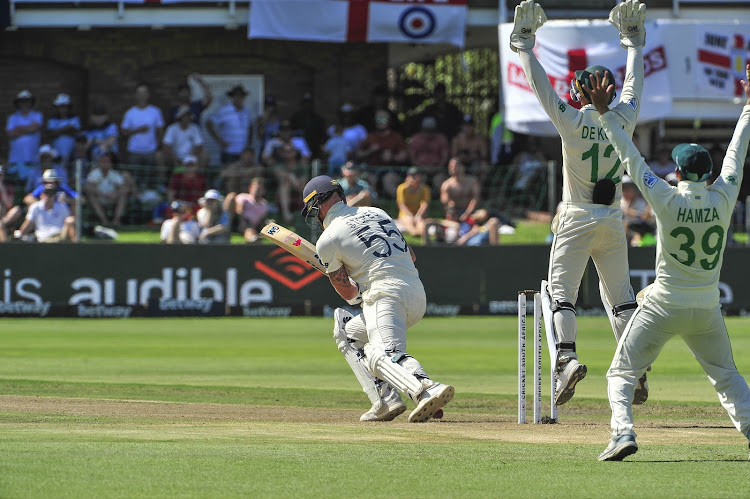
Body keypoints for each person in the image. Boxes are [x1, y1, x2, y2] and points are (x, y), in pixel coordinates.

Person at [590, 64, 750, 462]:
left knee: (622, 375)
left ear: (677, 172)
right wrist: (748, 107)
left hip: (663, 303)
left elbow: (630, 157)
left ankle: (623, 433)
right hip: (706, 306)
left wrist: (605, 113)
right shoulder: (725, 195)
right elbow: (737, 152)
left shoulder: (665, 196)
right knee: (727, 376)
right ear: (708, 173)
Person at [510, 0, 647, 406]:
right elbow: (634, 87)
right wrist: (634, 45)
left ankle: (567, 360)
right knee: (622, 298)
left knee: (561, 296)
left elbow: (541, 89)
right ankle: (635, 368)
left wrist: (525, 46)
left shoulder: (570, 120)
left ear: (579, 92)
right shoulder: (624, 119)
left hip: (575, 217)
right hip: (611, 218)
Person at [301, 175, 454, 422]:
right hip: (416, 292)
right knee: (349, 332)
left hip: (384, 297)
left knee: (379, 354)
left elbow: (349, 294)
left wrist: (351, 281)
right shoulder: (377, 212)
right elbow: (411, 256)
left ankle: (427, 389)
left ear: (318, 207)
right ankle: (384, 401)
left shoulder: (327, 240)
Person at [121, 82, 165, 168]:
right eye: (139, 93)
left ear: (148, 95)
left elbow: (160, 130)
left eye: (144, 93)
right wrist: (138, 130)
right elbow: (124, 132)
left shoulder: (155, 111)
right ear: (136, 95)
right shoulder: (130, 113)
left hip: (150, 151)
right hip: (134, 151)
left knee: (149, 177)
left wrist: (156, 146)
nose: (142, 95)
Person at [207, 85, 254, 165]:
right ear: (232, 97)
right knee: (229, 174)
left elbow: (250, 127)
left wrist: (249, 145)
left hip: (243, 152)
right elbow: (208, 123)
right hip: (229, 152)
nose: (238, 98)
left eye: (241, 96)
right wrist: (220, 141)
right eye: (236, 96)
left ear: (244, 98)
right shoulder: (225, 111)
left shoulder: (247, 111)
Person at [85, 151, 132, 227]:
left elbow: (126, 188)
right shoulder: (94, 173)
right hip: (99, 198)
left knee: (123, 196)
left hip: (112, 198)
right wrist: (100, 193)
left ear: (110, 163)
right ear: (99, 163)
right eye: (103, 161)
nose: (105, 164)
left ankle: (116, 220)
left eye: (107, 161)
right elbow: (87, 187)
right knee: (91, 196)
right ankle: (104, 220)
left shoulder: (114, 174)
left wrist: (116, 193)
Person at [6, 90, 43, 181]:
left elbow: (34, 128)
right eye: (22, 101)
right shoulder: (13, 117)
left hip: (32, 156)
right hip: (16, 158)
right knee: (16, 183)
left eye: (27, 100)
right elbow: (11, 133)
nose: (25, 103)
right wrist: (28, 129)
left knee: (31, 181)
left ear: (31, 102)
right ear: (18, 103)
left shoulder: (37, 115)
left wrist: (18, 128)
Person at [47, 93, 81, 168]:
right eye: (61, 107)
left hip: (72, 152)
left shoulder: (74, 118)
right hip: (56, 153)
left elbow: (75, 132)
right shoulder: (53, 119)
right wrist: (67, 128)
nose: (63, 109)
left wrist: (59, 131)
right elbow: (52, 133)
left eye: (65, 107)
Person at [395, 167, 430, 238]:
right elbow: (401, 205)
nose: (414, 179)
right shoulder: (402, 188)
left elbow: (424, 204)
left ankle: (421, 234)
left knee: (420, 223)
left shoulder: (425, 189)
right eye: (412, 176)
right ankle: (414, 233)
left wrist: (418, 215)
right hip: (405, 214)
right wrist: (410, 215)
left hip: (418, 214)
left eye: (417, 176)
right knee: (409, 220)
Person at [231, 177, 269, 243]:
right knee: (249, 230)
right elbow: (239, 211)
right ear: (250, 188)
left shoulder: (264, 204)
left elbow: (263, 218)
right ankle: (252, 239)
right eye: (255, 188)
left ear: (263, 190)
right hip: (242, 223)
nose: (257, 190)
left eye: (259, 188)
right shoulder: (243, 197)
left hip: (257, 226)